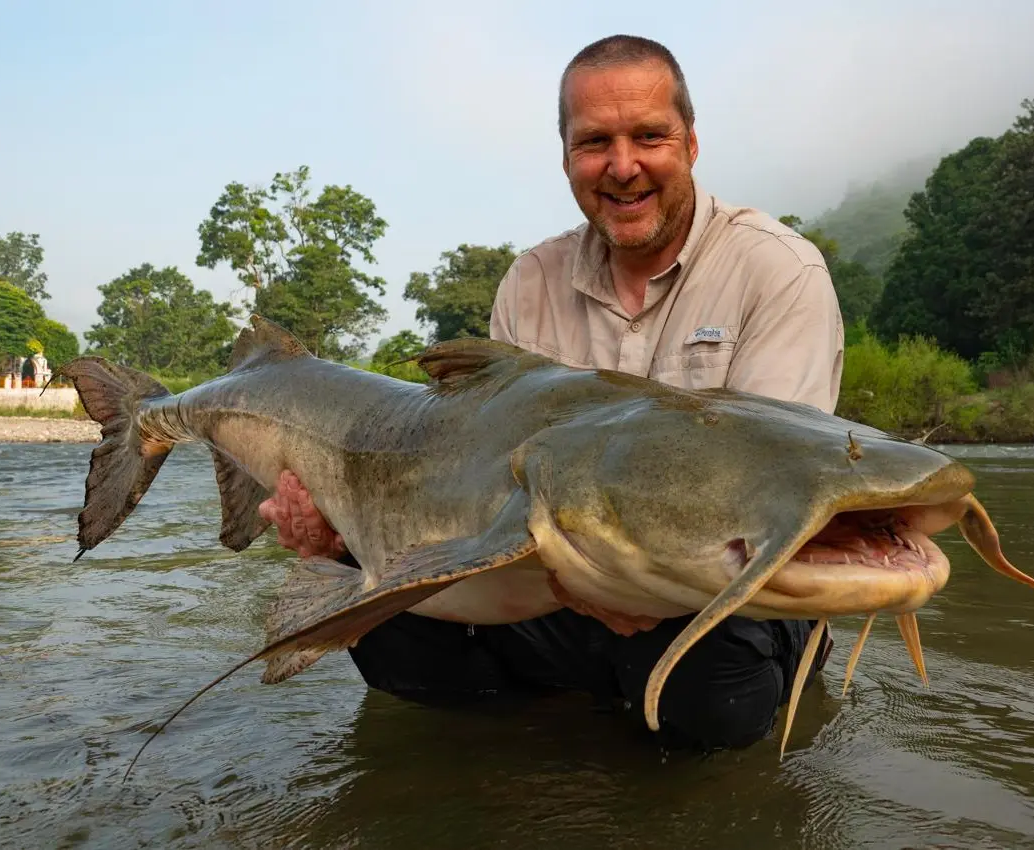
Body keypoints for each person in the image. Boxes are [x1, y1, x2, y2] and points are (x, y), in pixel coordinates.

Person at [258, 34, 845, 752]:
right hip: (565, 578)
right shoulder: (530, 283)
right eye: (594, 142)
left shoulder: (778, 271)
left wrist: (626, 583)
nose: (622, 166)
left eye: (649, 136)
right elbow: (479, 478)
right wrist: (342, 539)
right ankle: (537, 752)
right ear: (566, 158)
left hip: (729, 585)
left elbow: (784, 487)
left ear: (691, 143)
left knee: (714, 694)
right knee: (393, 627)